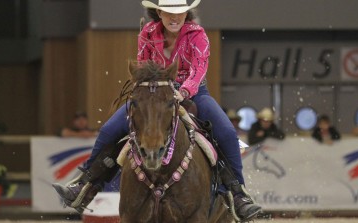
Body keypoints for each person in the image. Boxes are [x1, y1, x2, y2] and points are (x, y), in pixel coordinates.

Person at [52, 0, 261, 221]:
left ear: (187, 13)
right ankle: (85, 186)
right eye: (169, 12)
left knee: (227, 133)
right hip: (154, 92)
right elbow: (144, 68)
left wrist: (184, 92)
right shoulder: (147, 33)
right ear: (159, 12)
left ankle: (238, 195)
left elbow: (199, 69)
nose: (175, 18)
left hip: (194, 92)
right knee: (108, 131)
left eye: (180, 13)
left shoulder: (198, 35)